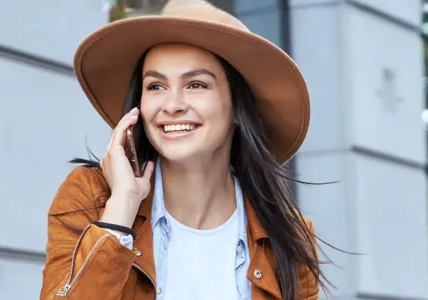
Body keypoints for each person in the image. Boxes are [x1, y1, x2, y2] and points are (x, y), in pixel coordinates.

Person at [40, 0, 332, 299]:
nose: (172, 105)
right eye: (156, 86)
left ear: (236, 106)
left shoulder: (288, 234)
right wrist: (120, 213)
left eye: (196, 85)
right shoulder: (91, 198)